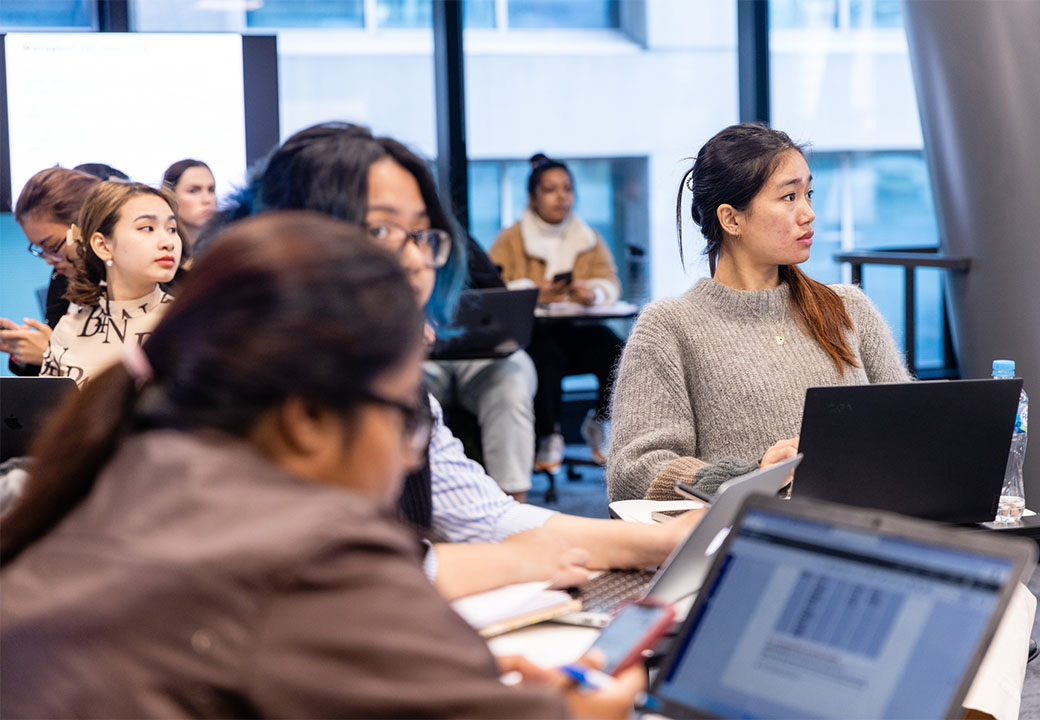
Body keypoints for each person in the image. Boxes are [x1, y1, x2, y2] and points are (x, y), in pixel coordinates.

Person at [0, 212, 643, 718]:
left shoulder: (125, 469)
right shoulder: (306, 550)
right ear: (306, 416)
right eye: (404, 415)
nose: (413, 449)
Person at [213, 122, 702, 600]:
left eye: (422, 235)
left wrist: (662, 542)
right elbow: (336, 578)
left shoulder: (398, 391)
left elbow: (485, 515)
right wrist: (517, 562)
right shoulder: (241, 390)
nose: (414, 258)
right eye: (381, 228)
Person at [607, 123, 911, 502]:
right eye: (789, 197)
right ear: (731, 219)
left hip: (869, 529)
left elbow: (908, 426)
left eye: (809, 194)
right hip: (752, 542)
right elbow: (634, 469)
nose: (809, 213)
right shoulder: (669, 326)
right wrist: (751, 476)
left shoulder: (848, 307)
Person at [489, 159, 624, 469]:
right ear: (532, 197)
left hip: (576, 328)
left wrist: (594, 293)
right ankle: (548, 434)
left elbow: (610, 282)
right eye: (550, 190)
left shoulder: (587, 238)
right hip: (533, 333)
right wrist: (534, 292)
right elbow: (492, 286)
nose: (561, 197)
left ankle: (600, 421)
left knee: (615, 349)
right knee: (546, 355)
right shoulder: (510, 239)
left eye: (567, 189)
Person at [423, 236, 539, 502]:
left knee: (511, 380)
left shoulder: (453, 239)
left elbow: (498, 298)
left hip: (475, 354)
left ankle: (513, 503)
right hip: (414, 357)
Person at [39, 181, 182, 388]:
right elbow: (49, 416)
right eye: (147, 228)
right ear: (102, 245)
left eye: (172, 229)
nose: (168, 241)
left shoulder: (187, 322)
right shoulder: (69, 329)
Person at [0, 168, 102, 374]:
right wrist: (24, 349)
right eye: (39, 249)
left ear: (88, 227)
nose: (48, 260)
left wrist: (54, 354)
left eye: (53, 246)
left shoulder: (134, 287)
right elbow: (54, 376)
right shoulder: (61, 279)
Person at [162, 158, 216, 253]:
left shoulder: (226, 246)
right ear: (170, 196)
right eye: (193, 190)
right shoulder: (162, 248)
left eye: (211, 190)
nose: (207, 199)